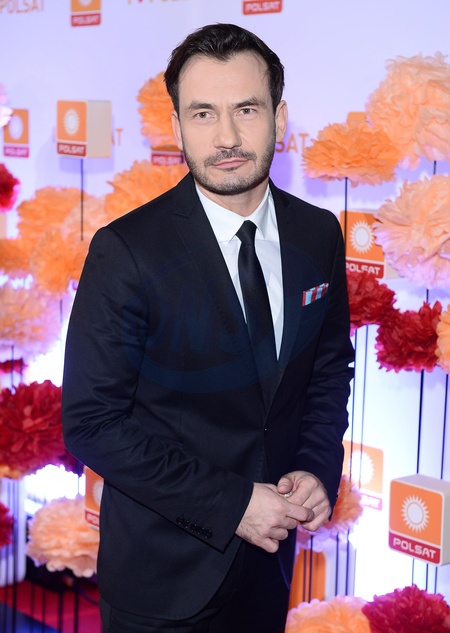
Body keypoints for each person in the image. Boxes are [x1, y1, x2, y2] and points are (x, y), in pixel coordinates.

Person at [62, 22, 354, 633]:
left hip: (271, 565)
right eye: (203, 114)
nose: (226, 137)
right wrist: (233, 503)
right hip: (162, 581)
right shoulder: (127, 251)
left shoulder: (318, 233)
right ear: (176, 128)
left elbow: (328, 368)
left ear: (279, 116)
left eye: (246, 109)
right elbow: (93, 423)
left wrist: (316, 465)